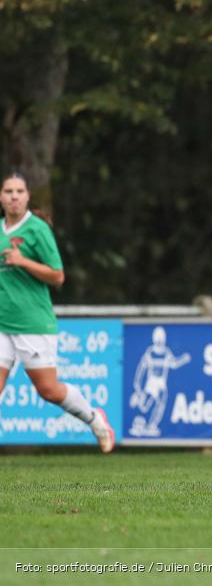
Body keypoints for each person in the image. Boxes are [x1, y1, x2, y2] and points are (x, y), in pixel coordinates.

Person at [0, 172, 115, 452]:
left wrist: (23, 261)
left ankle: (95, 419)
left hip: (32, 323)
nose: (14, 196)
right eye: (8, 191)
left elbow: (58, 276)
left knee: (48, 390)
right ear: (1, 197)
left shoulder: (37, 229)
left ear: (27, 196)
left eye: (19, 191)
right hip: (2, 324)